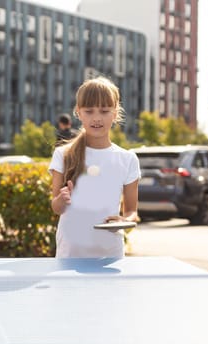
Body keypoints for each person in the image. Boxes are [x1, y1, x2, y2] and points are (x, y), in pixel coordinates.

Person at [49, 77, 140, 258]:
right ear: (78, 112)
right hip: (70, 254)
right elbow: (56, 207)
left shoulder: (128, 159)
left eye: (104, 111)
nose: (97, 118)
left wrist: (125, 220)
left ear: (115, 114)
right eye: (89, 111)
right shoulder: (63, 154)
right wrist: (62, 199)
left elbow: (132, 211)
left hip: (110, 256)